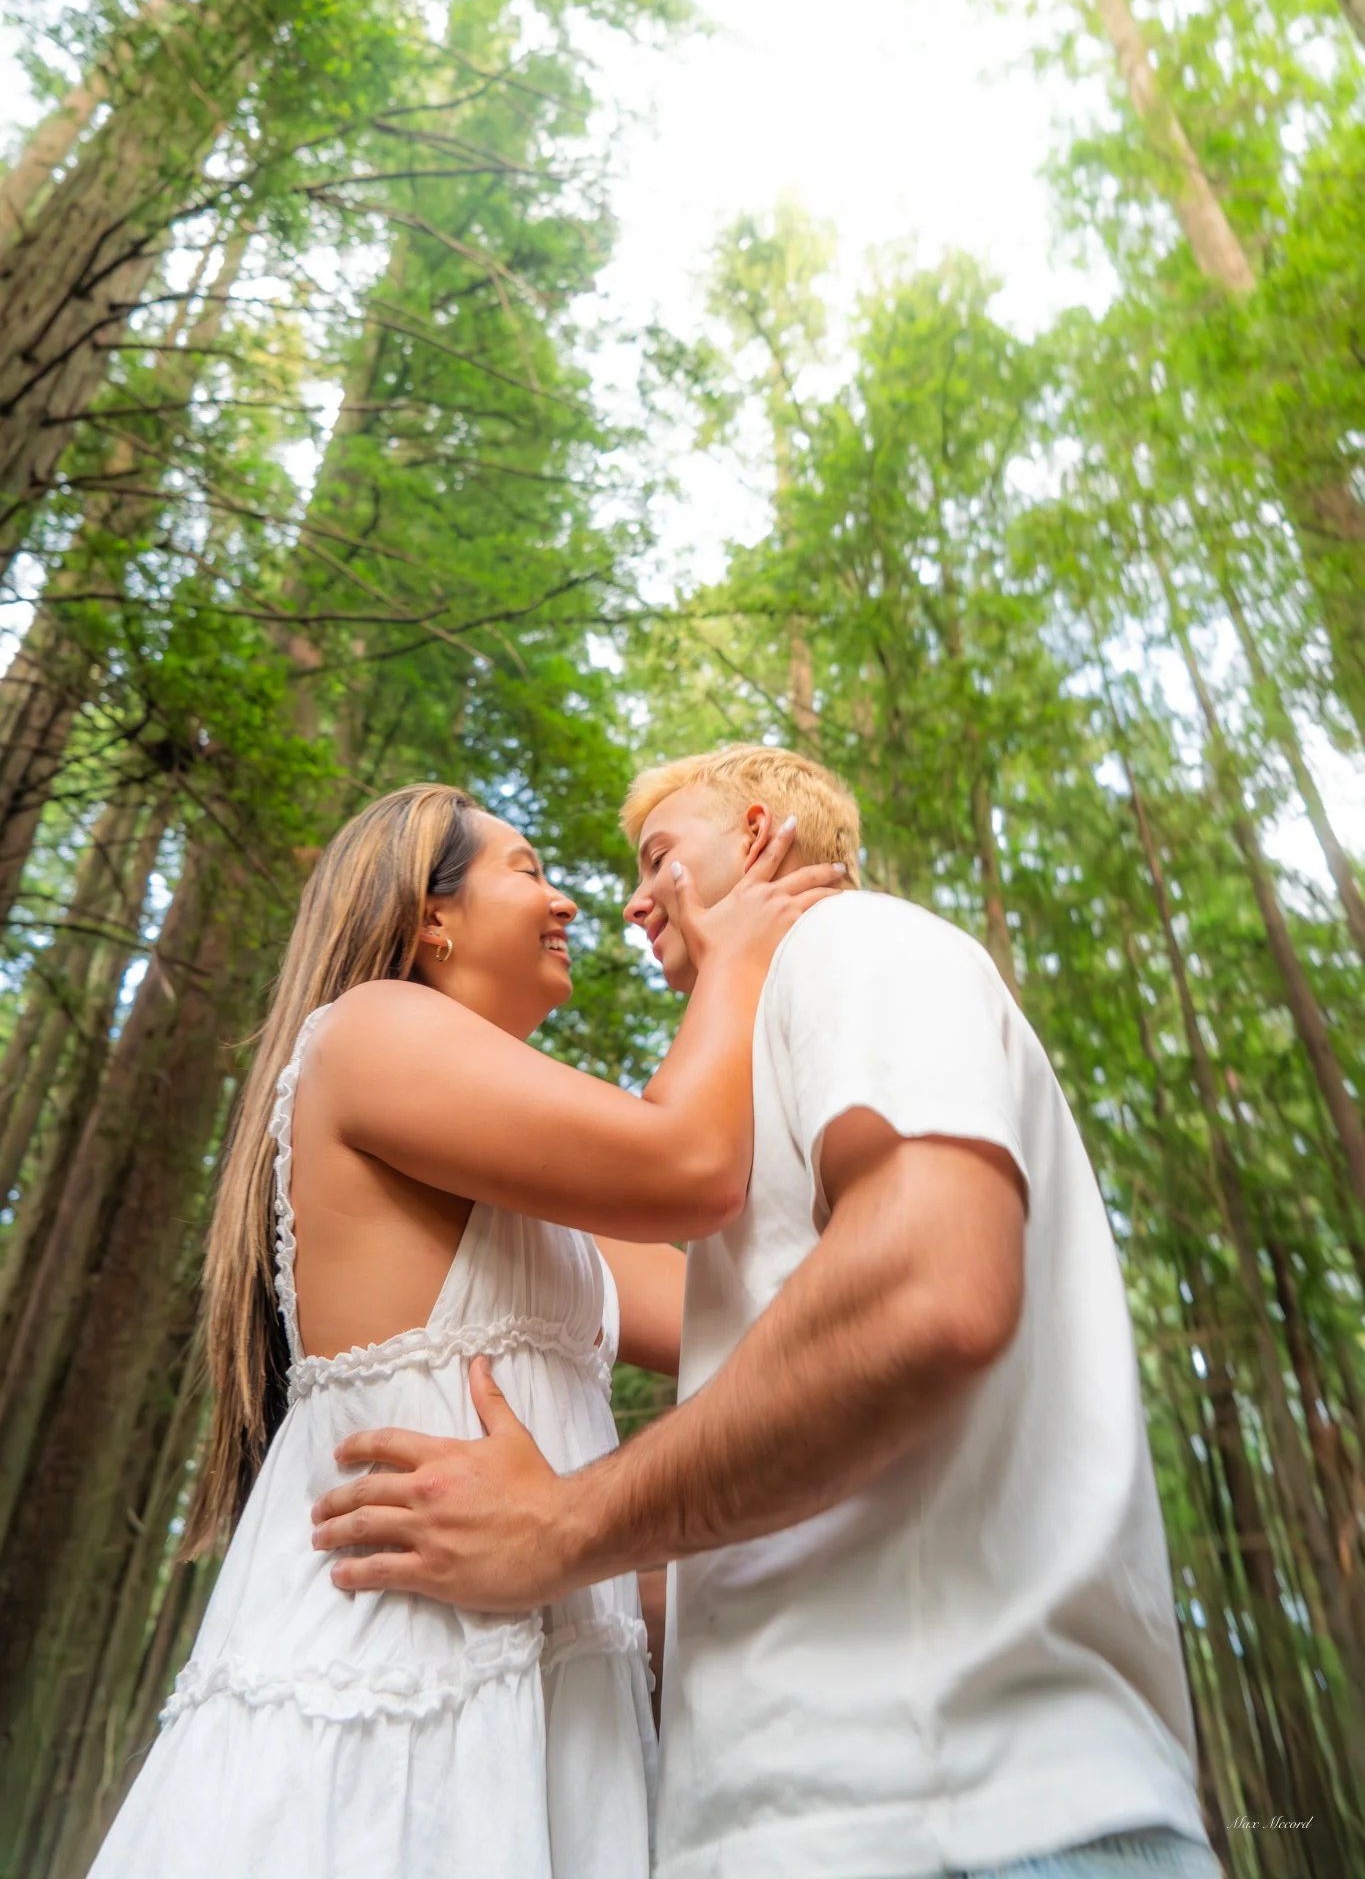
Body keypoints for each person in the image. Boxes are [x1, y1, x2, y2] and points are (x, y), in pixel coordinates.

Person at [312, 744, 1224, 1879]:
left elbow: (925, 1292)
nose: (626, 899)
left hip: (950, 1816)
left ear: (756, 838)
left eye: (656, 857)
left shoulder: (851, 943)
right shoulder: (775, 1084)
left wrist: (560, 1526)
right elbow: (798, 1448)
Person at [88, 780, 843, 1879]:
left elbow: (741, 1321)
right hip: (396, 1690)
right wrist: (736, 959)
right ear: (428, 916)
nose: (571, 903)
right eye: (527, 869)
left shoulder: (530, 1189)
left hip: (537, 1692)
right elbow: (688, 1167)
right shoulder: (370, 1029)